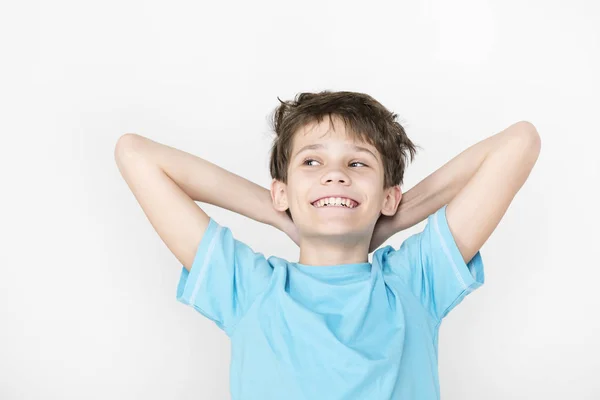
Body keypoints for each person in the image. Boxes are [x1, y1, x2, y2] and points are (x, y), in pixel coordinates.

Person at [114, 90, 541, 399]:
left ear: (388, 194)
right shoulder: (249, 288)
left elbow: (519, 142)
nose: (335, 174)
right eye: (312, 161)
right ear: (281, 190)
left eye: (357, 163)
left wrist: (392, 219)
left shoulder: (414, 282)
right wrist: (281, 215)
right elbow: (135, 155)